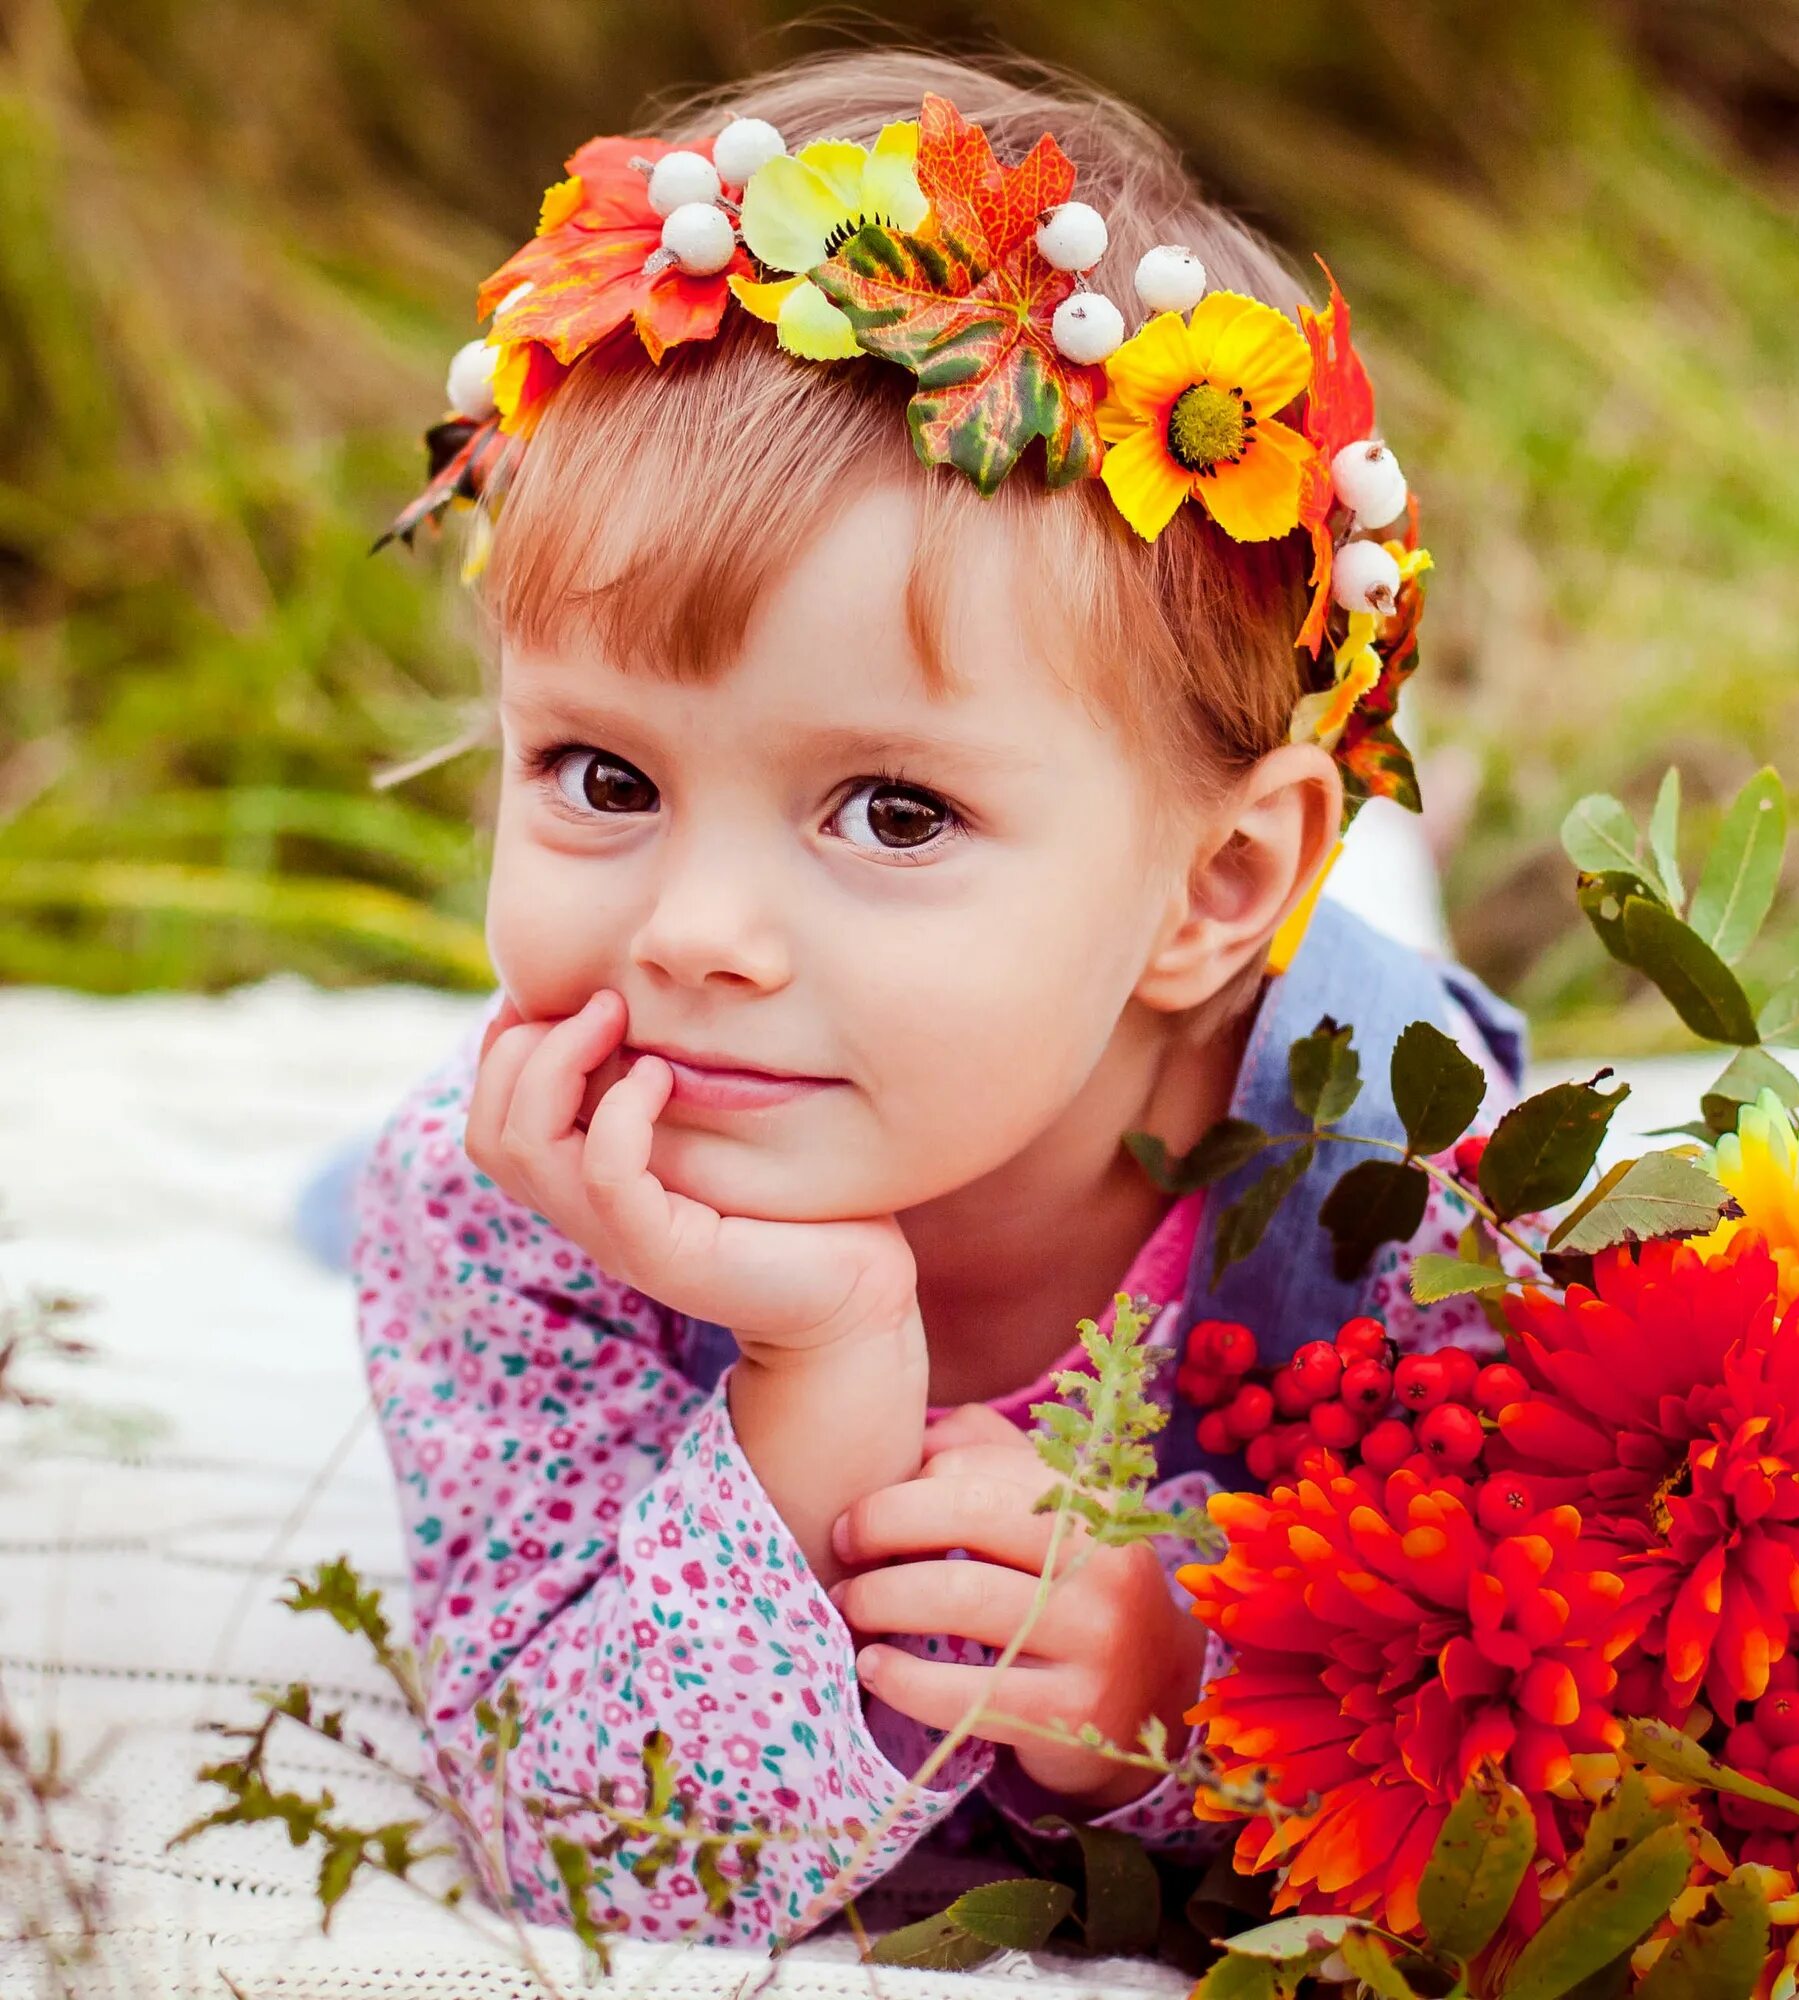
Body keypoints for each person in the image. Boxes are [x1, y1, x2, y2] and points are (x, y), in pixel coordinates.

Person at [348, 48, 1520, 1952]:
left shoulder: (1418, 1209)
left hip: (1275, 1046)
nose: (694, 932)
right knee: (359, 1174)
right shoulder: (510, 1209)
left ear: (1217, 888)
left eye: (893, 811)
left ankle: (1377, 874)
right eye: (603, 777)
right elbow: (594, 1862)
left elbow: (1580, 1773)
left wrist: (1195, 1686)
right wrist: (815, 1363)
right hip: (742, 1117)